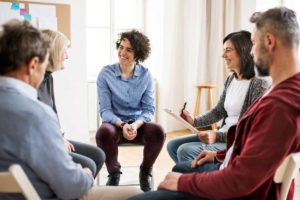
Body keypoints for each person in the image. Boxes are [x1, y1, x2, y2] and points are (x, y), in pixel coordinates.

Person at [129, 6, 300, 200]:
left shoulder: (281, 106)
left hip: (236, 192)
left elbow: (241, 181)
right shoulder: (282, 91)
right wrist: (219, 156)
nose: (252, 52)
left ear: (269, 41)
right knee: (180, 167)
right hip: (230, 168)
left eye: (253, 43)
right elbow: (257, 154)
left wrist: (182, 182)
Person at [0, 20, 142, 200]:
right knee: (137, 194)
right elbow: (72, 187)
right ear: (33, 65)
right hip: (51, 194)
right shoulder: (35, 114)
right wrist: (85, 174)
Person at [167, 30, 270, 163]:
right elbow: (219, 111)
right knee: (172, 145)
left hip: (237, 141)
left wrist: (217, 135)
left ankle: (211, 177)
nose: (223, 55)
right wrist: (194, 121)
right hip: (223, 134)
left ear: (243, 51)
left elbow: (249, 129)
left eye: (228, 50)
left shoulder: (259, 83)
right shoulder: (231, 79)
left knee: (185, 151)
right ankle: (202, 173)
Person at [96, 30, 166, 192]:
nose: (122, 53)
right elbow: (105, 111)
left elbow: (148, 110)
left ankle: (145, 172)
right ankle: (114, 173)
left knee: (158, 131)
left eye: (129, 49)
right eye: (121, 47)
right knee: (102, 133)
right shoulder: (106, 74)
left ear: (138, 54)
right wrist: (122, 125)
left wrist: (135, 125)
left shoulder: (146, 75)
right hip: (115, 126)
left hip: (138, 126)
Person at [38, 29, 105, 178]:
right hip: (44, 144)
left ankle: (81, 192)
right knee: (89, 164)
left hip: (54, 138)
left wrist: (61, 136)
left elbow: (52, 115)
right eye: (64, 51)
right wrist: (57, 140)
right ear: (53, 52)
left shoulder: (48, 78)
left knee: (98, 155)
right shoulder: (34, 81)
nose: (67, 56)